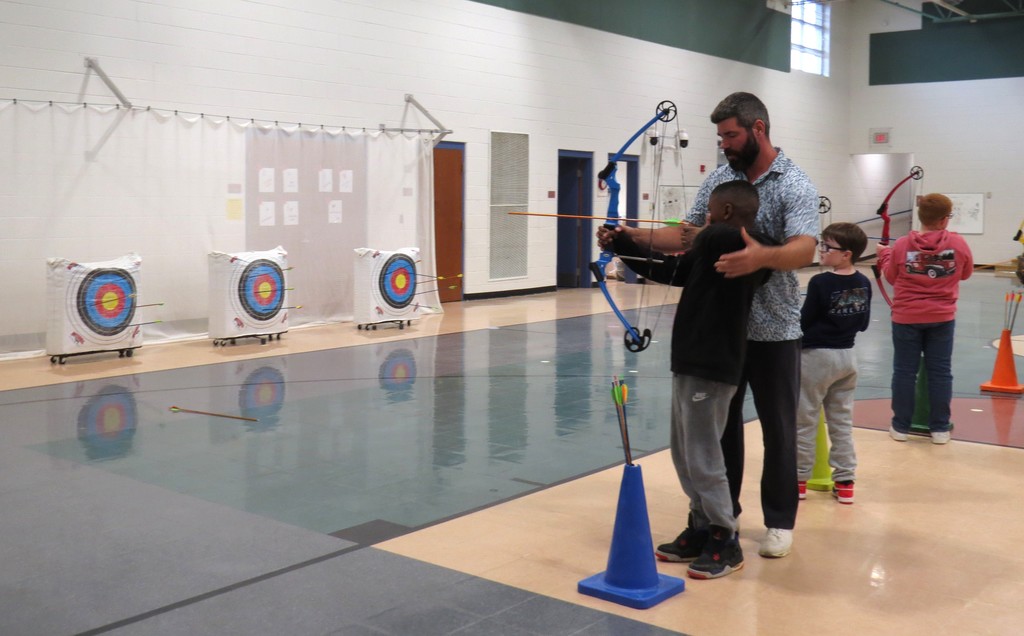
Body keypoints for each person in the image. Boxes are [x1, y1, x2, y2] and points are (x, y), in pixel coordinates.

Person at [599, 92, 818, 559]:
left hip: (775, 327)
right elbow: (686, 236)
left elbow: (805, 249)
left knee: (779, 427)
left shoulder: (794, 183)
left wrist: (761, 257)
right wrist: (629, 235)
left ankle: (779, 520)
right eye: (720, 136)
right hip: (725, 333)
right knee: (720, 431)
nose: (724, 145)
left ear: (758, 129)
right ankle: (722, 520)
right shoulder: (720, 179)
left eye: (731, 135)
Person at [602, 180, 773, 579]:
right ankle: (700, 526)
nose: (702, 221)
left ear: (727, 214)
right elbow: (671, 268)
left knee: (702, 456)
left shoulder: (747, 251)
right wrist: (622, 245)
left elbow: (733, 239)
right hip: (690, 362)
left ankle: (723, 535)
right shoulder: (711, 248)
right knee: (684, 453)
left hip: (714, 365)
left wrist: (704, 232)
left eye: (710, 213)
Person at [876, 193, 973, 444]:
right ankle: (939, 428)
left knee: (904, 372)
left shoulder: (902, 245)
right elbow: (965, 274)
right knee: (940, 372)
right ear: (943, 219)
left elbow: (892, 277)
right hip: (942, 316)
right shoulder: (958, 244)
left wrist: (885, 255)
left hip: (906, 317)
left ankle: (900, 426)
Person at [796, 223, 871, 505]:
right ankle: (846, 481)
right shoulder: (864, 282)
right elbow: (862, 323)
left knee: (804, 420)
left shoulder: (821, 282)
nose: (822, 251)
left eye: (828, 247)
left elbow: (804, 321)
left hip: (816, 358)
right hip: (847, 357)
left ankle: (799, 480)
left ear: (846, 254)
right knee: (841, 421)